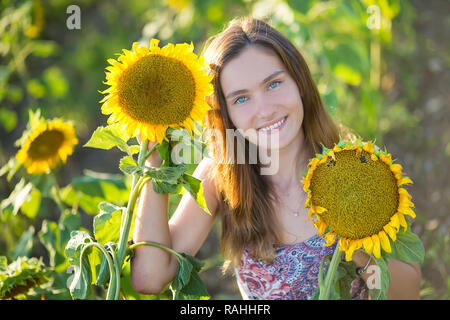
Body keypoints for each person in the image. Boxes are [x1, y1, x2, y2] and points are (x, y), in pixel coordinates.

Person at [130, 17, 421, 300]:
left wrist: (357, 243)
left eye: (273, 84)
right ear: (225, 113)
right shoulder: (220, 176)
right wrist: (155, 157)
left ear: (299, 82)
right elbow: (150, 277)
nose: (266, 109)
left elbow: (407, 294)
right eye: (241, 99)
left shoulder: (354, 167)